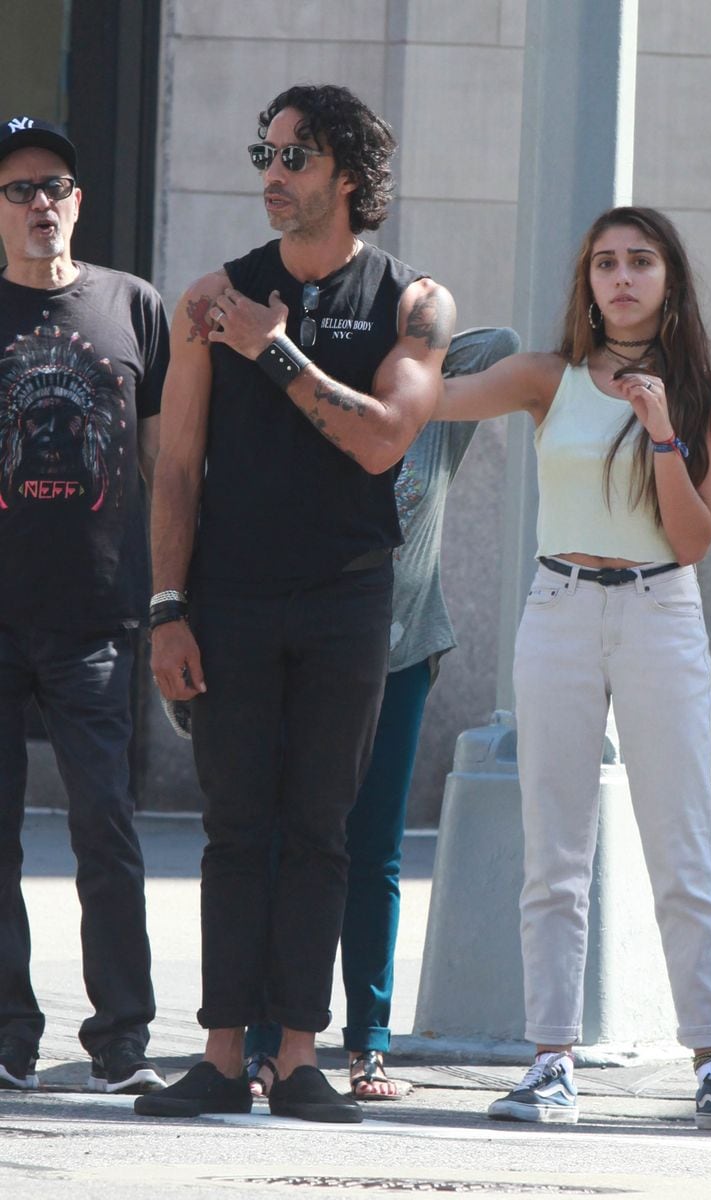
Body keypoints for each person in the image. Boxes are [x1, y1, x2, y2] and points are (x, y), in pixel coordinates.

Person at [137, 84, 455, 1124]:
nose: (271, 176)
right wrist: (166, 607)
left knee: (322, 827)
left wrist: (269, 349)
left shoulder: (414, 304)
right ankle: (224, 1055)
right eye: (262, 154)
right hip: (227, 596)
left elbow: (379, 439)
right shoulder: (210, 299)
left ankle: (301, 1056)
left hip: (346, 599)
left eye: (295, 157)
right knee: (234, 826)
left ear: (349, 177)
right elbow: (176, 469)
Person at [434, 206, 711, 1133]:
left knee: (682, 846)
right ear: (587, 282)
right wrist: (370, 332)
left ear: (670, 280)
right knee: (556, 849)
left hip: (661, 608)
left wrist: (663, 429)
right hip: (560, 607)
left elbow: (694, 539)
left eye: (640, 262)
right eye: (605, 264)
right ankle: (551, 1061)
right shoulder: (550, 378)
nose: (621, 279)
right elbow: (427, 397)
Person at [244, 326, 520, 1102]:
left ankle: (367, 1044)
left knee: (375, 849)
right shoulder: (316, 411)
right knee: (289, 839)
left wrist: (413, 340)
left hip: (401, 654)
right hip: (312, 652)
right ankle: (266, 1040)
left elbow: (500, 343)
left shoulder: (429, 418)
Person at [0, 117, 169, 1095]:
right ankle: (10, 1039)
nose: (37, 204)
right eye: (18, 189)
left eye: (53, 184)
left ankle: (119, 1044)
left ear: (77, 200)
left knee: (106, 826)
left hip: (97, 615)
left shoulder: (131, 308)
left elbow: (165, 462)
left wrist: (176, 592)